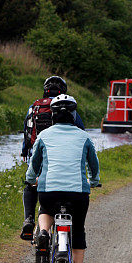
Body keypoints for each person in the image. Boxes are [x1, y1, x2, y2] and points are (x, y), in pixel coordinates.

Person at [25, 94, 99, 263]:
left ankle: (43, 232)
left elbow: (34, 163)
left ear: (53, 115)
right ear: (74, 115)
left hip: (49, 191)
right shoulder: (84, 137)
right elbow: (93, 163)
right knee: (79, 228)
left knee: (45, 209)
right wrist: (95, 180)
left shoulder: (44, 135)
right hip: (78, 193)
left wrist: (31, 179)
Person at [20, 75, 85, 239]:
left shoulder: (33, 107)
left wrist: (24, 151)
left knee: (31, 185)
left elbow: (27, 131)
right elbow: (81, 132)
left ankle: (29, 219)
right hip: (61, 159)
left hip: (37, 155)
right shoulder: (68, 107)